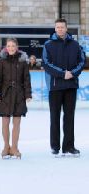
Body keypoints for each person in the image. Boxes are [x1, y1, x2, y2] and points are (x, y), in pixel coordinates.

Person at [42, 18, 85, 157]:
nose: (60, 29)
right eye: (58, 27)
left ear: (66, 28)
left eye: (62, 27)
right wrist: (62, 74)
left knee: (69, 117)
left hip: (71, 86)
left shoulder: (75, 44)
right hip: (55, 87)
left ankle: (69, 146)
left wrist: (71, 74)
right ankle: (55, 146)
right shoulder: (48, 45)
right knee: (54, 117)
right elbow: (46, 64)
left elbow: (82, 61)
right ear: (55, 29)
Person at [0, 38, 32, 159]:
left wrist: (28, 95)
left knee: (17, 122)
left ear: (17, 47)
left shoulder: (23, 62)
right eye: (9, 46)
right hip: (5, 94)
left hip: (19, 95)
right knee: (5, 122)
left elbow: (26, 79)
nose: (11, 48)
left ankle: (14, 147)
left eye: (13, 46)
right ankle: (6, 147)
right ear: (6, 47)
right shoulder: (1, 61)